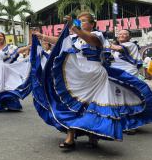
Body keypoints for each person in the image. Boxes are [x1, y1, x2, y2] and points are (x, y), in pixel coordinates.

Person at [32, 12, 152, 149]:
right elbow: (60, 41)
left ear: (92, 24)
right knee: (72, 104)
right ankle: (70, 138)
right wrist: (43, 37)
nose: (80, 23)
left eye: (83, 21)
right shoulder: (74, 37)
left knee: (93, 105)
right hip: (77, 74)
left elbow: (92, 41)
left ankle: (93, 137)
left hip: (95, 74)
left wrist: (74, 27)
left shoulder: (99, 35)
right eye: (79, 21)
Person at [110, 29, 143, 135]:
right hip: (116, 75)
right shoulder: (114, 49)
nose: (122, 35)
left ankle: (133, 124)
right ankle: (122, 123)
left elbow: (118, 48)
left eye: (125, 34)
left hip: (128, 74)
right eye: (120, 34)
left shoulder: (130, 45)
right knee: (119, 97)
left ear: (130, 37)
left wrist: (103, 42)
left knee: (130, 97)